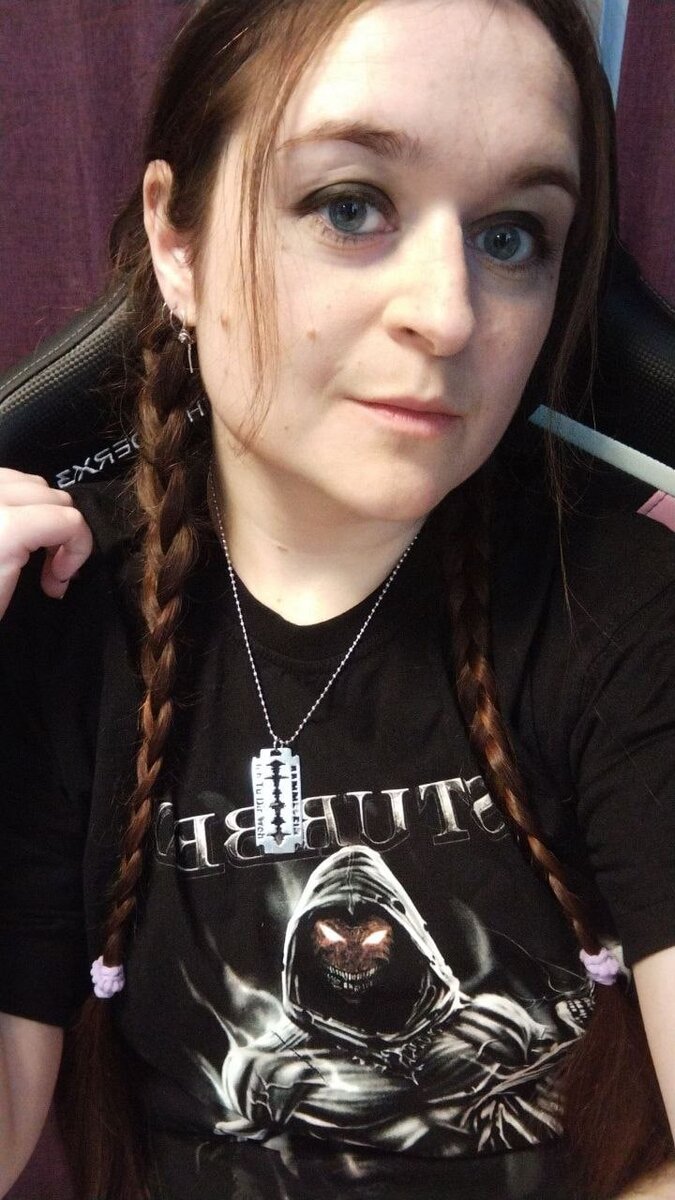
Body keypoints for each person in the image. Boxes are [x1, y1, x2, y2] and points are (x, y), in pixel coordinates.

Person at [0, 1, 674, 1198]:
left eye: (512, 235)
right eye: (350, 206)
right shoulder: (67, 622)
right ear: (177, 242)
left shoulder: (626, 614)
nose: (450, 314)